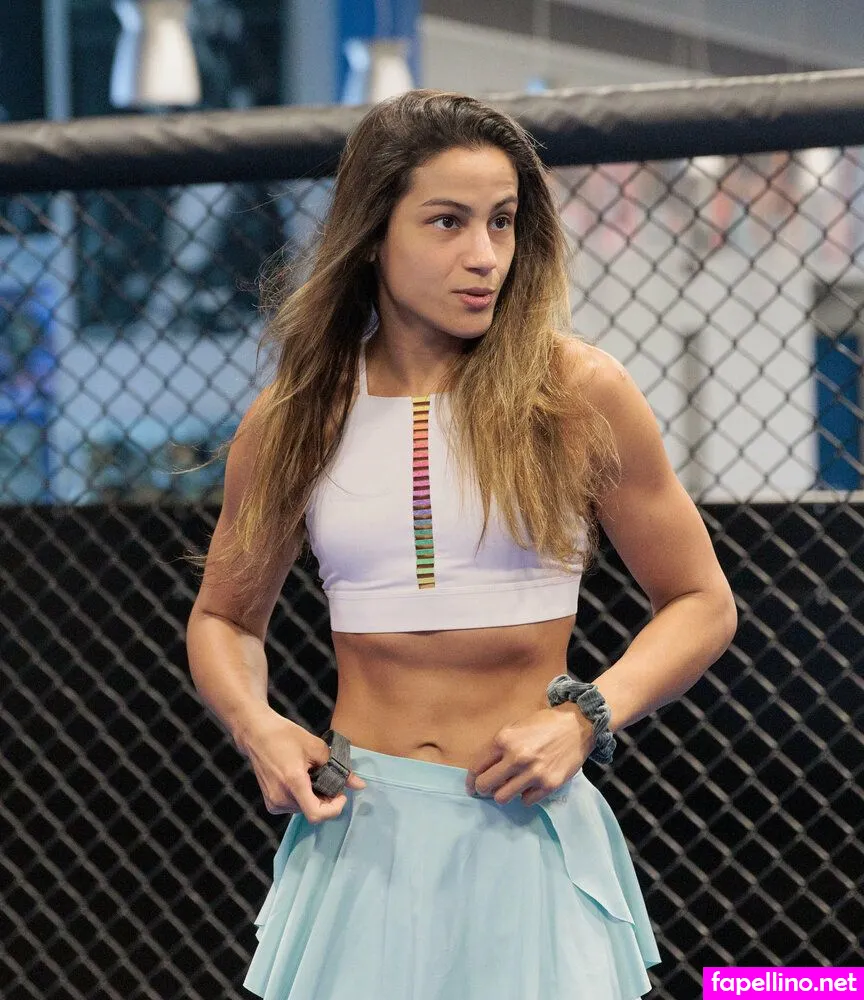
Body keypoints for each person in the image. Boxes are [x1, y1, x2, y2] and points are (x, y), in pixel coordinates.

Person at [186, 89, 737, 1000]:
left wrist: (586, 717)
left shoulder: (577, 392)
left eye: (502, 222)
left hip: (525, 833)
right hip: (360, 837)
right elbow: (224, 619)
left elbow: (701, 601)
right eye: (447, 222)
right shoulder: (296, 417)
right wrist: (258, 727)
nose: (484, 255)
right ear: (374, 233)